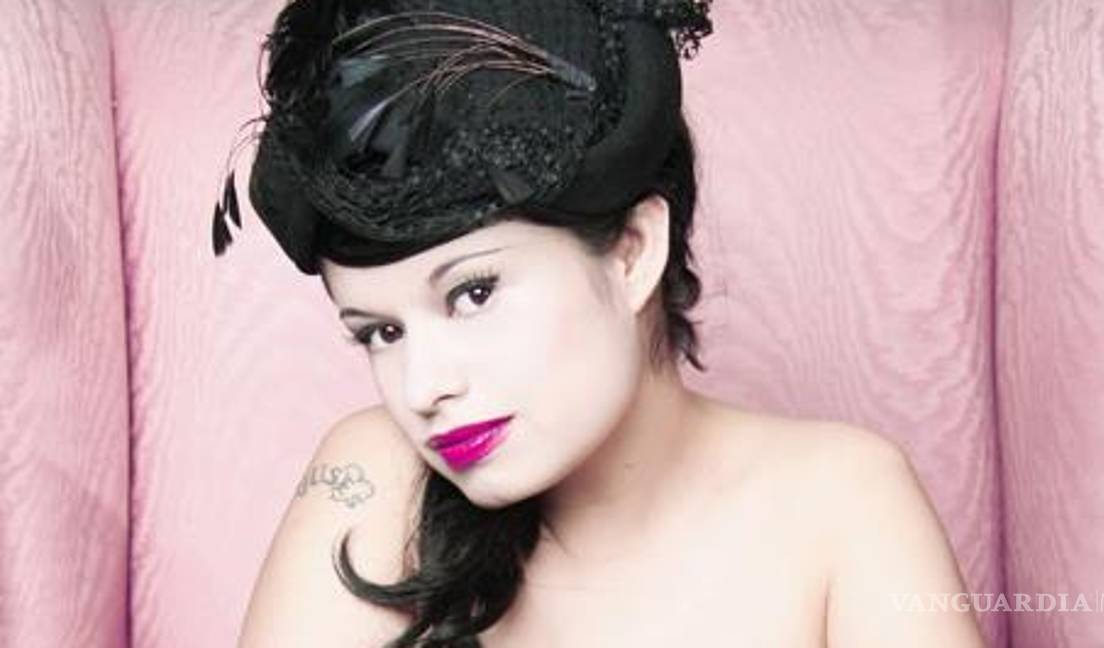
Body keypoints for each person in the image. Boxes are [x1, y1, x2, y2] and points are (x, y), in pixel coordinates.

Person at [212, 1, 988, 646]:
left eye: (473, 294)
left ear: (632, 252)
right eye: (381, 332)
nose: (423, 388)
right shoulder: (377, 477)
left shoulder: (842, 504)